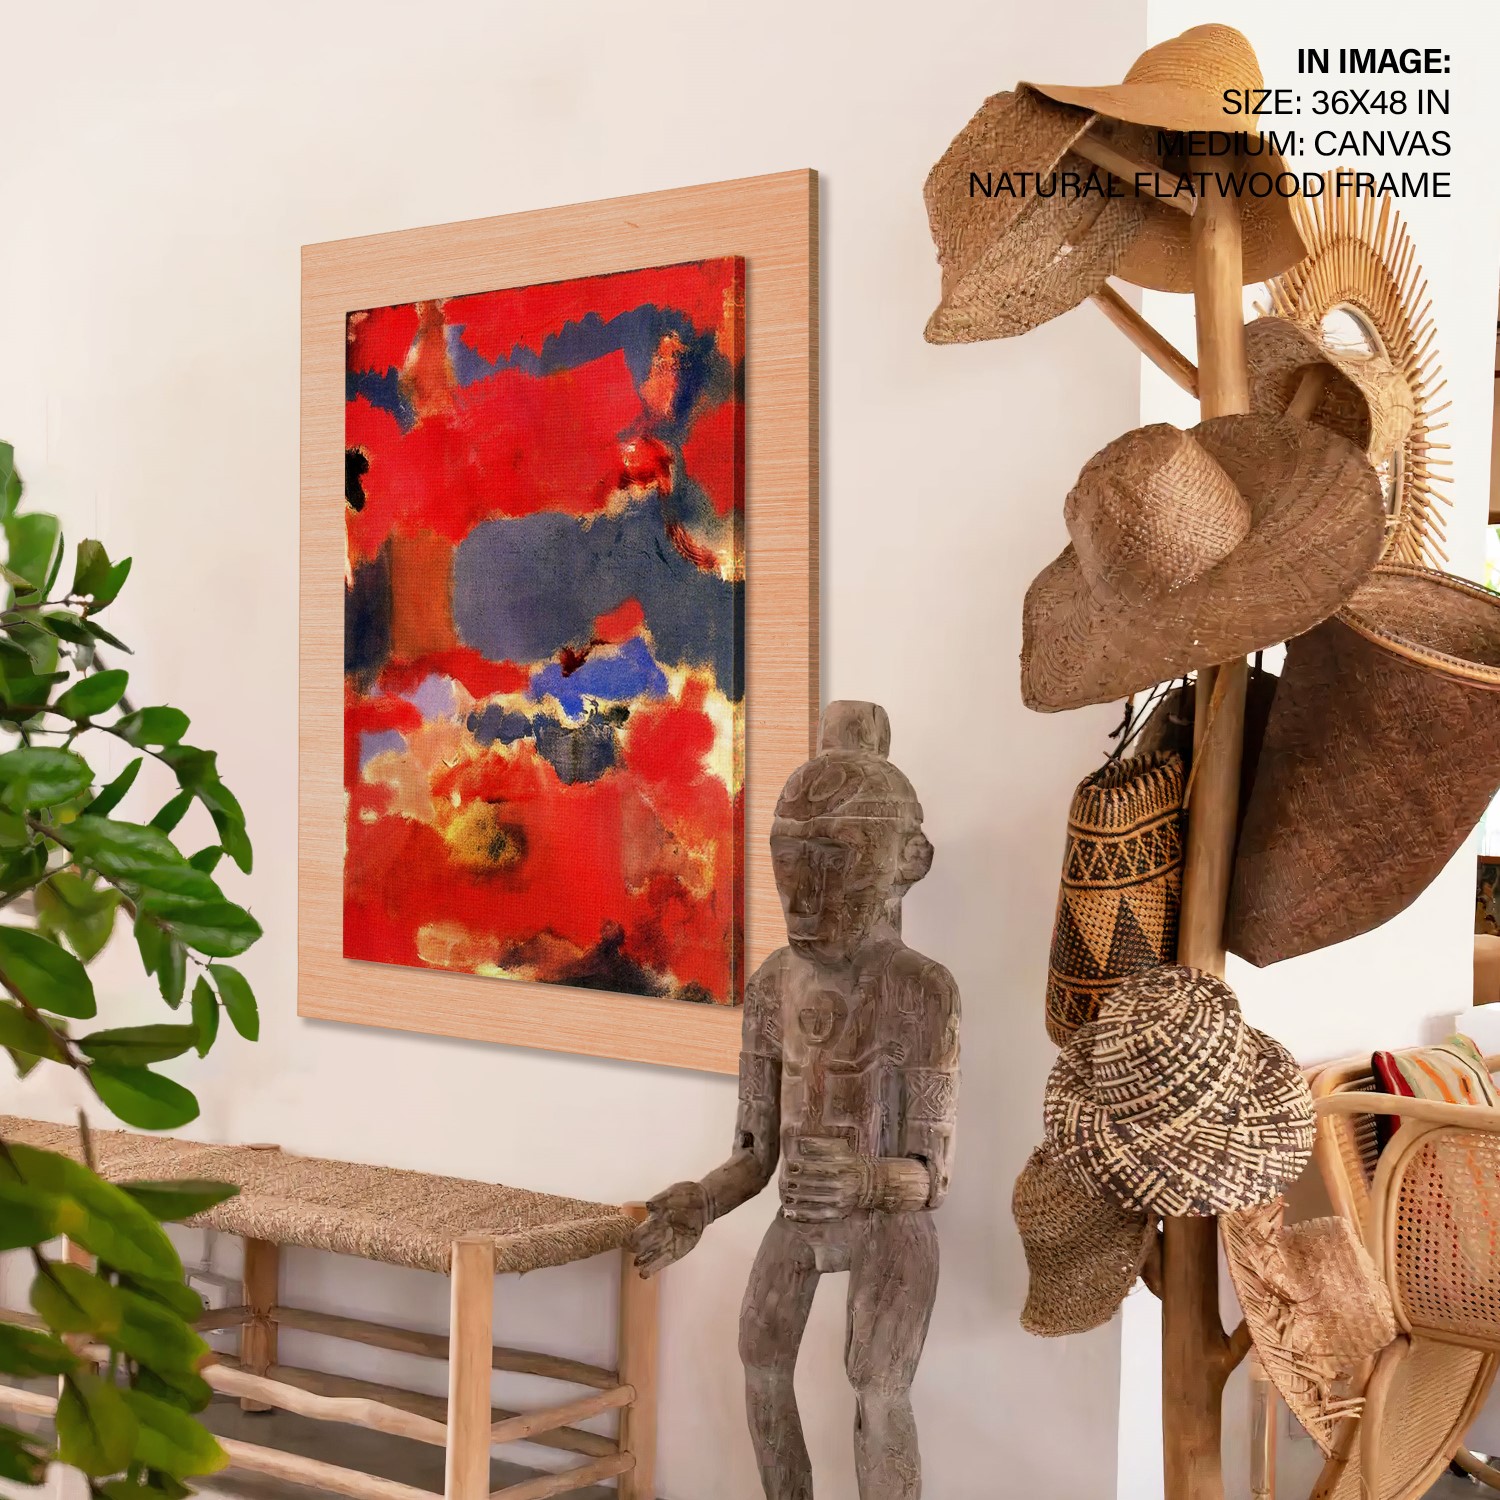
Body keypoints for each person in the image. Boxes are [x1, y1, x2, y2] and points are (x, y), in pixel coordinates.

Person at [632, 701, 960, 1500]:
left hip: (889, 1223)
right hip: (802, 1215)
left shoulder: (922, 991)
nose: (805, 894)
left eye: (836, 860)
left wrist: (866, 1182)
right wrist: (703, 1201)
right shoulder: (774, 984)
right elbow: (755, 1156)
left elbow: (931, 1176)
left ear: (906, 861)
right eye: (790, 859)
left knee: (878, 1384)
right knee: (760, 1357)